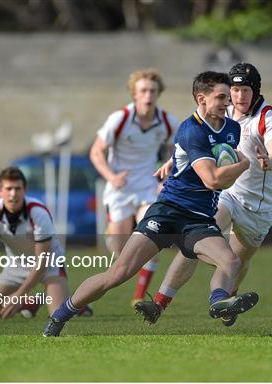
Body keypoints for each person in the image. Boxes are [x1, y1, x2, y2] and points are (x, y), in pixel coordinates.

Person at [43, 71, 259, 337]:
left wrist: (180, 161)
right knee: (119, 273)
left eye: (228, 96)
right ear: (201, 98)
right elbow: (213, 179)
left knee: (231, 262)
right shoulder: (191, 130)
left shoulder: (231, 128)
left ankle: (218, 302)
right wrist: (244, 164)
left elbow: (219, 156)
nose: (229, 102)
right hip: (168, 213)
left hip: (199, 219)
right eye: (221, 97)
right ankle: (60, 315)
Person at [134, 63, 272, 327]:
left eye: (245, 90)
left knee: (237, 261)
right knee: (196, 236)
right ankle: (160, 302)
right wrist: (177, 161)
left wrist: (268, 160)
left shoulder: (267, 117)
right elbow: (195, 139)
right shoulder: (221, 108)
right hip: (227, 193)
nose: (238, 96)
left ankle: (228, 298)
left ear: (256, 91)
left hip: (258, 205)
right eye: (235, 90)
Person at [89, 68, 178, 306]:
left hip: (148, 188)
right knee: (120, 254)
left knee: (152, 236)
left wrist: (166, 181)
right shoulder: (120, 119)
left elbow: (177, 153)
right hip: (120, 189)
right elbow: (96, 151)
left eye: (152, 90)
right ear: (134, 94)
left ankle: (139, 296)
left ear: (158, 93)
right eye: (143, 91)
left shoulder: (167, 122)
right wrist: (111, 176)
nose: (148, 95)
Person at [0, 167, 92, 320]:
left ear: (24, 190)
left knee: (59, 317)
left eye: (17, 188)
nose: (13, 194)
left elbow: (42, 261)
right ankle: (30, 302)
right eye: (9, 189)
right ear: (0, 191)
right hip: (16, 265)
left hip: (49, 264)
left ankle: (78, 306)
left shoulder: (38, 213)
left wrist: (18, 296)